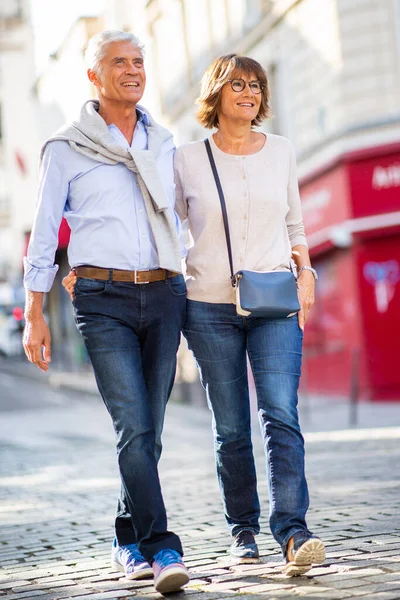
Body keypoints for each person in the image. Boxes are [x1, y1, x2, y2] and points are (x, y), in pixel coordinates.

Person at [23, 30, 189, 594]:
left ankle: (125, 536)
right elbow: (45, 234)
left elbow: (184, 218)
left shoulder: (163, 141)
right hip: (103, 299)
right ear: (94, 77)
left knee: (150, 433)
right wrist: (35, 312)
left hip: (165, 293)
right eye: (119, 62)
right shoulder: (65, 147)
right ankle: (162, 548)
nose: (133, 69)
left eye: (139, 61)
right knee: (134, 426)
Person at [174, 54, 325, 576]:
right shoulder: (187, 158)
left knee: (281, 413)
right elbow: (167, 231)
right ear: (216, 93)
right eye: (237, 84)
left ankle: (292, 531)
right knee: (232, 426)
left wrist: (306, 275)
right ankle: (243, 529)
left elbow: (297, 227)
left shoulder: (280, 151)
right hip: (207, 307)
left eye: (256, 85)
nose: (250, 92)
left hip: (274, 302)